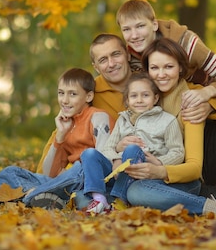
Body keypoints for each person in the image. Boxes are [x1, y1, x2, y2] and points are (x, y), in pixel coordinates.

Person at [116, 0, 216, 208]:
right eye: (127, 29)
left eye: (140, 26)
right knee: (141, 193)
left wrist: (208, 98)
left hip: (203, 140)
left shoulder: (186, 43)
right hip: (167, 151)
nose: (134, 35)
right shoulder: (129, 61)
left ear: (154, 24)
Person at [111, 38, 216, 215]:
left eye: (168, 67)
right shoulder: (140, 102)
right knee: (136, 190)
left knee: (137, 192)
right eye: (154, 68)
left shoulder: (190, 102)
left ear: (180, 68)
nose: (161, 74)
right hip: (146, 180)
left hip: (179, 177)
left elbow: (194, 168)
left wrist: (159, 170)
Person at [0, 67, 114, 209]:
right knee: (9, 173)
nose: (65, 100)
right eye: (61, 93)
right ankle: (44, 197)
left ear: (89, 96)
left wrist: (73, 172)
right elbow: (49, 173)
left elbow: (101, 161)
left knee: (81, 165)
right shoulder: (67, 124)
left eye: (72, 94)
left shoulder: (98, 117)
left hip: (91, 181)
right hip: (67, 182)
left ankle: (23, 197)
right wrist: (60, 136)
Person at [79, 71, 185, 214]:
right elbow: (107, 148)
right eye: (134, 96)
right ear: (127, 101)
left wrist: (159, 162)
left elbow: (178, 152)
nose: (139, 100)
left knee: (133, 149)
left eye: (145, 95)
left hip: (143, 174)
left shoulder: (167, 120)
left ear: (155, 98)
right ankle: (99, 200)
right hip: (117, 173)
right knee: (89, 153)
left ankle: (119, 201)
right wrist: (116, 158)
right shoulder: (122, 120)